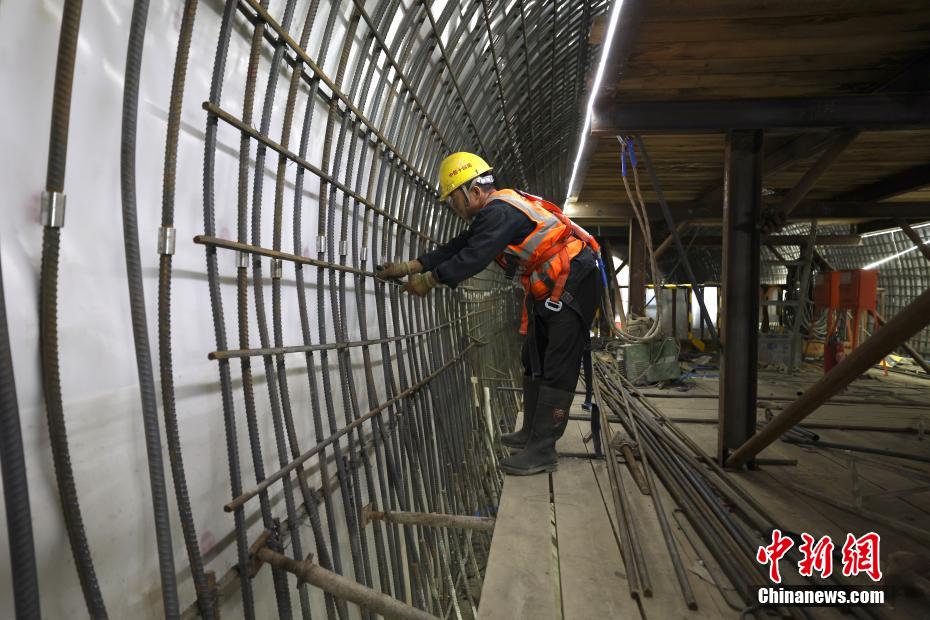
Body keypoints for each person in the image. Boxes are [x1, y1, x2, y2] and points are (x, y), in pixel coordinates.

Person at [376, 152, 602, 475]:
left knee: (557, 364)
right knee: (533, 357)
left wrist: (428, 281)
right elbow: (456, 247)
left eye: (454, 198)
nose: (454, 206)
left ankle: (543, 450)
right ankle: (530, 434)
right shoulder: (494, 213)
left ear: (473, 191)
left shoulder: (500, 212)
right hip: (552, 284)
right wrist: (408, 267)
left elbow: (473, 257)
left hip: (575, 281)